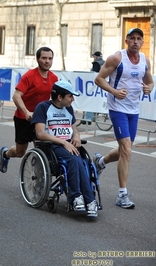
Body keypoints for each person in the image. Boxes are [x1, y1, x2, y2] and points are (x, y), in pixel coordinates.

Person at [93, 28, 153, 209]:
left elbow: (150, 81)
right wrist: (114, 91)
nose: (135, 41)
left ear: (142, 42)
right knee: (127, 150)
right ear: (126, 41)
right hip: (117, 108)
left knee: (124, 150)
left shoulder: (145, 61)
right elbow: (99, 79)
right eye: (132, 38)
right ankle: (122, 195)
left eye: (139, 39)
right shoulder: (117, 58)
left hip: (133, 111)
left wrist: (149, 88)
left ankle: (100, 162)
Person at [32, 80, 98, 217]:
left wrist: (77, 136)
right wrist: (63, 143)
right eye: (70, 96)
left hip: (68, 145)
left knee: (85, 162)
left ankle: (87, 199)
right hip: (51, 146)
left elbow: (74, 129)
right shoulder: (43, 108)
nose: (73, 99)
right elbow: (40, 133)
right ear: (60, 97)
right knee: (74, 159)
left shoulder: (68, 109)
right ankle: (79, 197)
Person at [0, 46, 58, 173]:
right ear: (37, 59)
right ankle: (6, 154)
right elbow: (16, 96)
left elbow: (56, 99)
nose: (47, 61)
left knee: (43, 149)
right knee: (20, 152)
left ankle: (39, 180)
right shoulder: (29, 76)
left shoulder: (54, 78)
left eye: (50, 58)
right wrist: (26, 112)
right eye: (44, 58)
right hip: (23, 118)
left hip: (40, 119)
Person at [82, 51, 106, 125]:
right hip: (103, 85)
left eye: (94, 57)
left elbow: (93, 75)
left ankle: (88, 118)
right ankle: (94, 116)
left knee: (90, 101)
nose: (94, 58)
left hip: (95, 85)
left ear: (96, 57)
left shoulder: (97, 64)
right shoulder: (104, 62)